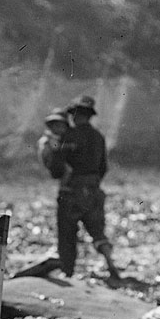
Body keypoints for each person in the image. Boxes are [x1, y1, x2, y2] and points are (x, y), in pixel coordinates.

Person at [56, 95, 122, 282]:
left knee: (67, 233)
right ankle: (110, 262)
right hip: (93, 190)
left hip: (71, 190)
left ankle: (67, 272)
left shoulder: (68, 136)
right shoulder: (99, 137)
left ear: (75, 115)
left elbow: (57, 165)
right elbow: (104, 167)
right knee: (97, 230)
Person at [37, 107, 70, 180]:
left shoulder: (60, 138)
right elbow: (55, 147)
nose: (60, 129)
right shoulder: (46, 140)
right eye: (57, 126)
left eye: (62, 126)